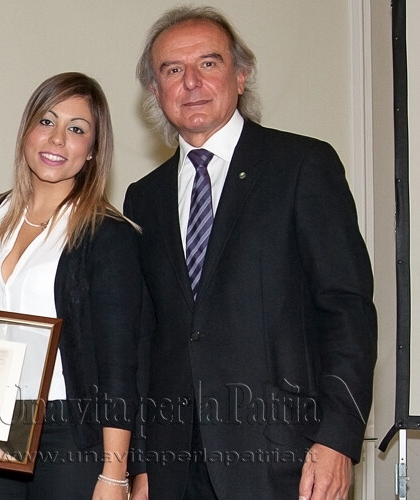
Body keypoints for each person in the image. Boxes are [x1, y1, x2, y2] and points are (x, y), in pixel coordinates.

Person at [124, 6, 376, 500]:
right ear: (155, 91)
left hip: (285, 455)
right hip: (174, 467)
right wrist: (142, 464)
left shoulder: (303, 165)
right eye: (172, 70)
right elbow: (146, 340)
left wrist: (337, 438)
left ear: (241, 76)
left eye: (209, 63)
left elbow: (346, 309)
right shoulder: (142, 197)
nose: (191, 82)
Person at [0, 72, 141, 499]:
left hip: (66, 430)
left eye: (76, 130)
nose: (57, 139)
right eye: (47, 122)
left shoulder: (109, 235)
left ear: (92, 150)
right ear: (26, 132)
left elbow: (119, 364)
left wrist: (115, 473)